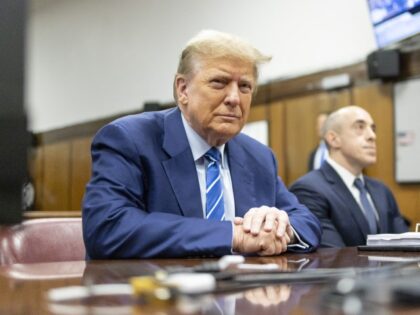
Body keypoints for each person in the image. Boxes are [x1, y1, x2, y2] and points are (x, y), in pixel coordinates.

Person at [83, 30, 321, 259]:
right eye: (219, 82)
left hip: (245, 295)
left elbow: (306, 221)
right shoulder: (129, 139)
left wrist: (278, 227)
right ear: (183, 89)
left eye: (245, 86)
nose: (234, 98)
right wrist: (232, 235)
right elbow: (108, 227)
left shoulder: (258, 156)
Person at [290, 106, 408, 247]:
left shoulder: (382, 190)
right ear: (333, 139)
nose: (372, 136)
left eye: (373, 129)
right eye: (360, 127)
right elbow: (334, 256)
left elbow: (406, 246)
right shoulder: (308, 190)